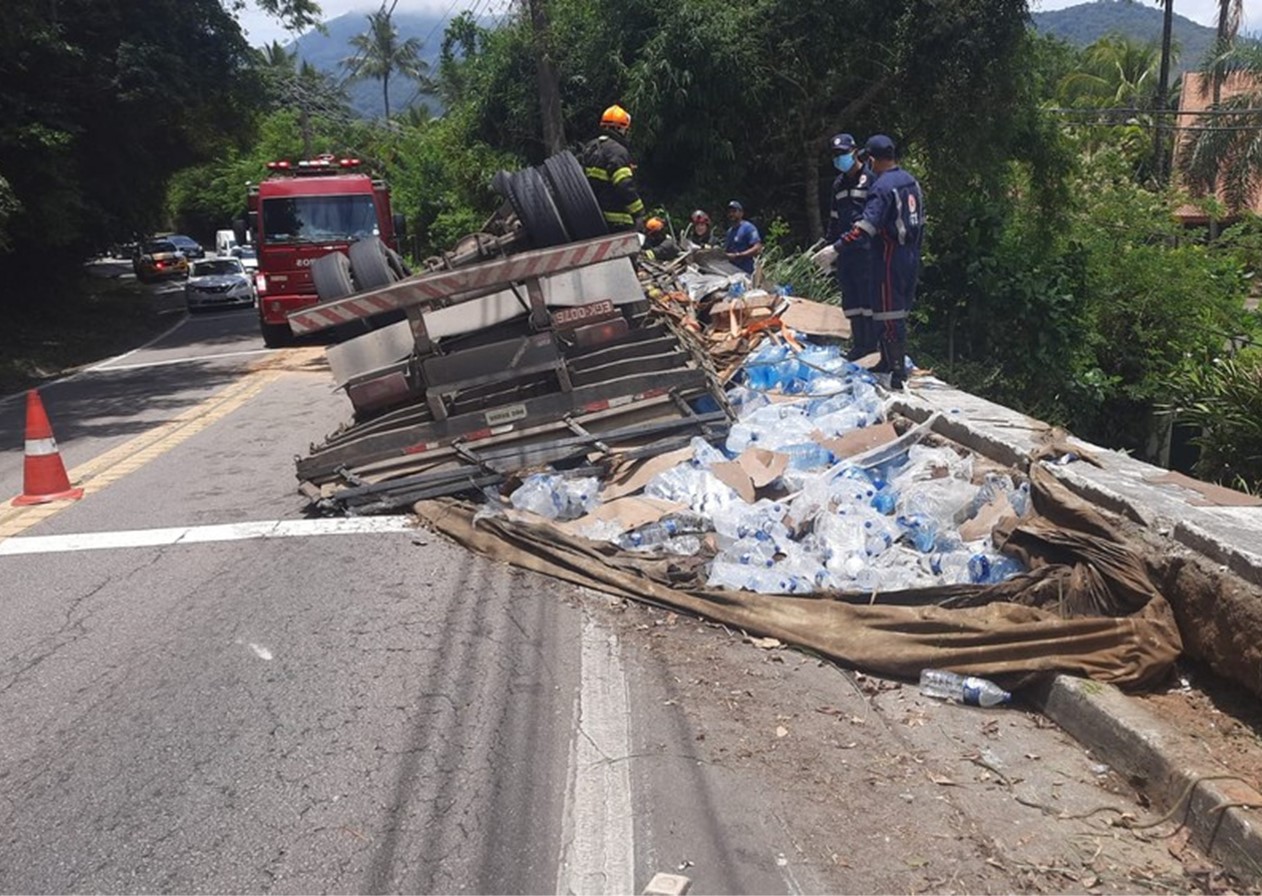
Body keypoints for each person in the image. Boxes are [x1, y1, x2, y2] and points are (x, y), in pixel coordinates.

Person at [837, 134, 924, 389]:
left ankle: (896, 373)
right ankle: (887, 361)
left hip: (888, 254)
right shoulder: (911, 182)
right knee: (896, 311)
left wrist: (837, 247)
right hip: (910, 254)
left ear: (872, 159)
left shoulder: (882, 186)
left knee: (888, 312)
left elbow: (866, 225)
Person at [824, 133, 877, 362]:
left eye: (843, 153)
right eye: (835, 155)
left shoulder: (871, 179)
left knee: (868, 300)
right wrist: (829, 249)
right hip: (844, 252)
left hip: (866, 251)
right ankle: (858, 345)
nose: (839, 159)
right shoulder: (838, 183)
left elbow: (871, 218)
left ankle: (871, 345)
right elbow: (834, 219)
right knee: (852, 301)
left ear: (855, 151)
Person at [579, 104, 646, 233]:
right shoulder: (618, 152)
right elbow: (624, 184)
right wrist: (639, 213)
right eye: (625, 129)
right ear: (619, 128)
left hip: (592, 217)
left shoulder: (589, 148)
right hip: (617, 221)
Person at [723, 200, 762, 275]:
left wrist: (738, 255)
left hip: (746, 272)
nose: (731, 214)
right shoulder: (729, 232)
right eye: (729, 212)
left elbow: (757, 248)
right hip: (731, 273)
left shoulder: (748, 228)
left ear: (741, 213)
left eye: (734, 211)